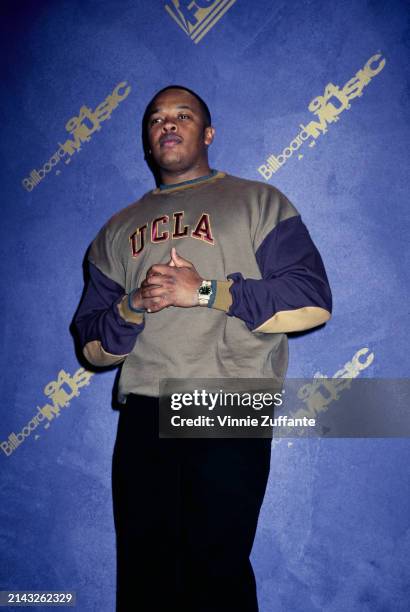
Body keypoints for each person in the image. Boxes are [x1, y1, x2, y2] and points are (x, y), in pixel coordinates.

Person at [74, 85, 332, 612]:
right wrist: (135, 305)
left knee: (216, 574)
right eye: (156, 120)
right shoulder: (115, 232)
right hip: (145, 406)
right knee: (146, 578)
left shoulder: (258, 201)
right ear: (147, 142)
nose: (168, 125)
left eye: (183, 116)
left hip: (226, 399)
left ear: (207, 133)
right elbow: (92, 346)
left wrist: (207, 291)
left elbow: (313, 301)